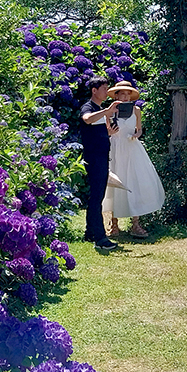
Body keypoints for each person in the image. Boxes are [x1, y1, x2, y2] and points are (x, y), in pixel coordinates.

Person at [103, 82, 165, 238]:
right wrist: (111, 131)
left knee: (135, 182)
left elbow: (139, 129)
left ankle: (135, 224)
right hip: (116, 148)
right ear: (116, 95)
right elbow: (107, 131)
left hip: (132, 149)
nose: (124, 97)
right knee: (113, 183)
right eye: (121, 94)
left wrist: (136, 135)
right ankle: (114, 224)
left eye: (127, 94)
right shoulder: (110, 112)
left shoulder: (136, 110)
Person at [79, 77, 118, 249]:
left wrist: (110, 132)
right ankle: (101, 239)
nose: (106, 91)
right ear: (94, 90)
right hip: (94, 158)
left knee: (96, 196)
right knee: (96, 198)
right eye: (103, 88)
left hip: (101, 156)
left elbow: (96, 133)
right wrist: (107, 111)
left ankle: (90, 232)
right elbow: (87, 119)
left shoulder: (100, 110)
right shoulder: (89, 107)